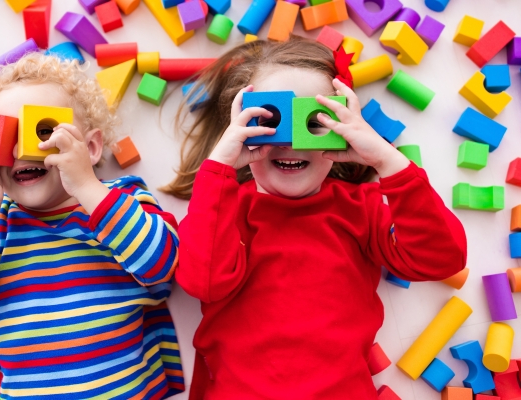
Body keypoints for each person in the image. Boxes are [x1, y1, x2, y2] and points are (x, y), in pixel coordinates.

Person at [162, 37, 466, 399]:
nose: (292, 143)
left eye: (315, 122)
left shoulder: (361, 208)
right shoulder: (224, 208)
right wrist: (219, 168)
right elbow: (203, 283)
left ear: (344, 130)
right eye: (269, 121)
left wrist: (387, 161)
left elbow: (442, 258)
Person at [0, 52, 184, 399]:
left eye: (42, 131)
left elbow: (163, 266)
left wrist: (88, 187)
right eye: (4, 139)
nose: (21, 151)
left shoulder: (121, 200)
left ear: (89, 148)